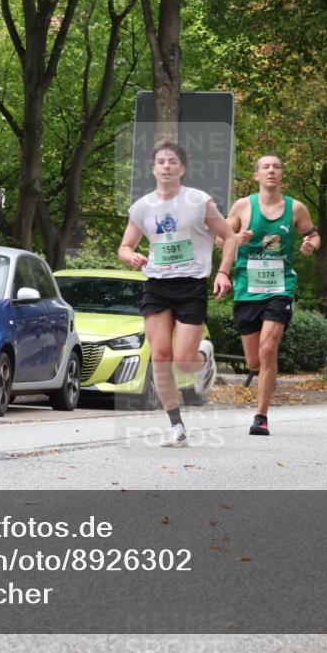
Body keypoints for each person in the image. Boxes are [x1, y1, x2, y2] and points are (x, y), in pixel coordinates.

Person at [119, 140, 238, 447]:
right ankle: (176, 425)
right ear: (154, 169)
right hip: (157, 284)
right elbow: (125, 246)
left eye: (173, 161)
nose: (167, 166)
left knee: (184, 362)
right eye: (161, 161)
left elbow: (230, 237)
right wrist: (130, 256)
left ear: (182, 169)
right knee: (160, 357)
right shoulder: (143, 207)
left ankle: (203, 356)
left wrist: (223, 272)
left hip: (191, 285)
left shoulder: (199, 201)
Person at [227, 155, 320, 434]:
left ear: (281, 175)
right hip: (247, 289)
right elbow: (220, 237)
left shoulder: (296, 208)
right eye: (265, 167)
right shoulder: (243, 206)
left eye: (276, 167)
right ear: (256, 175)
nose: (271, 170)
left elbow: (313, 234)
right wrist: (235, 239)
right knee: (255, 361)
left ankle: (261, 417)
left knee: (269, 348)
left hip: (280, 288)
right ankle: (260, 377)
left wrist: (310, 245)